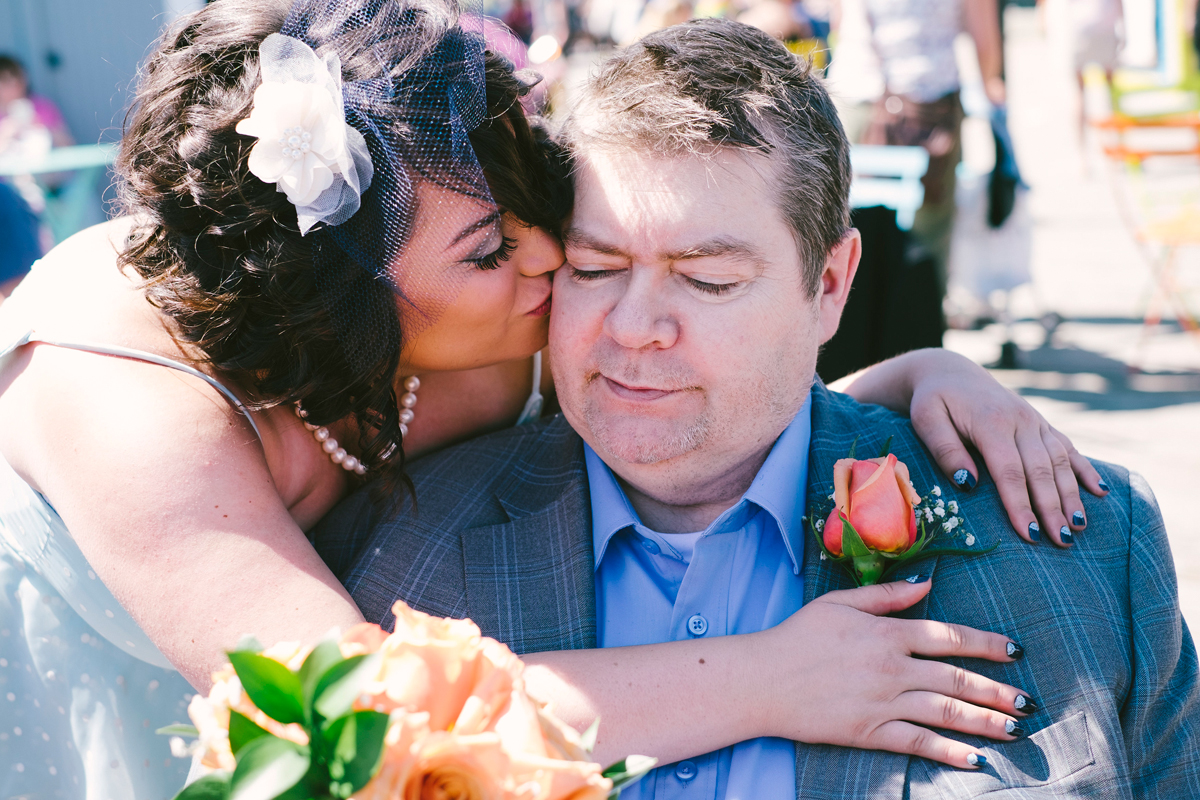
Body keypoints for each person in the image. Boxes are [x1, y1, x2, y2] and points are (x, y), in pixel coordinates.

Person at [0, 0, 1098, 797]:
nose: (546, 255)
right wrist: (772, 677)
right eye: (489, 248)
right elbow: (375, 715)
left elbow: (689, 387)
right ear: (352, 302)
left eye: (532, 197)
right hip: (73, 693)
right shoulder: (117, 386)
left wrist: (910, 379)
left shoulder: (501, 312)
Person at [323, 17, 1200, 797]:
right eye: (593, 269)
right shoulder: (390, 555)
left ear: (829, 285)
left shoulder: (1085, 548)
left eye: (708, 279)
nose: (634, 329)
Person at [832, 0, 1006, 294]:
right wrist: (990, 85)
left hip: (855, 97)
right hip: (926, 105)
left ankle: (853, 328)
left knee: (846, 231)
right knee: (926, 240)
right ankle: (918, 328)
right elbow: (983, 38)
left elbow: (840, 19)